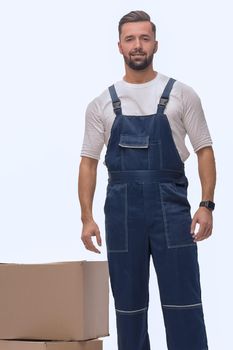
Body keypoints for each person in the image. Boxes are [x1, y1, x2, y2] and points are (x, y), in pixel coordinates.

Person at [78, 10, 216, 350]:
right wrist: (86, 217)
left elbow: (204, 150)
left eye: (144, 38)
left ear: (155, 43)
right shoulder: (101, 104)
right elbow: (88, 163)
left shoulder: (183, 94)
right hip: (122, 213)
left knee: (183, 302)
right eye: (130, 39)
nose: (137, 45)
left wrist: (206, 204)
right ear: (119, 46)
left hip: (171, 209)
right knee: (129, 306)